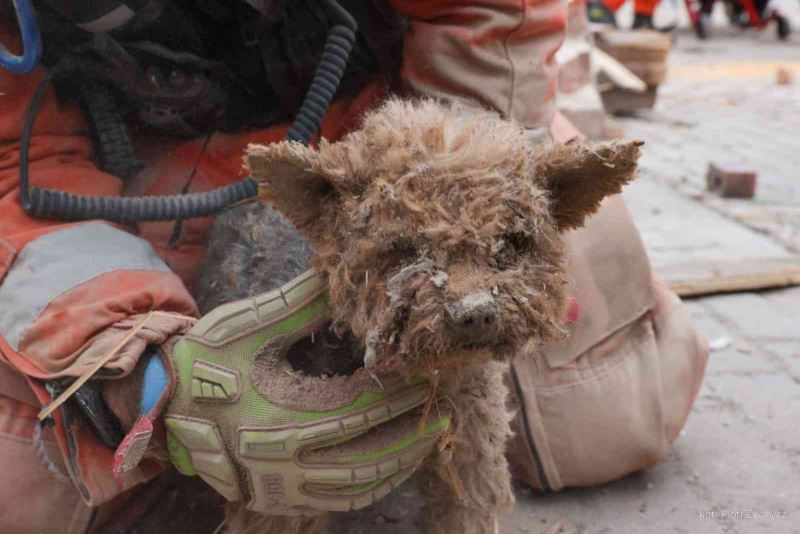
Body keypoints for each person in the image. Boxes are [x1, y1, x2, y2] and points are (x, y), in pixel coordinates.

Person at [0, 1, 707, 532]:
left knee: (603, 412)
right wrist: (135, 363)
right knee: (32, 479)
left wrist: (459, 169)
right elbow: (12, 169)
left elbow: (490, 17)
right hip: (128, 176)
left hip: (398, 122)